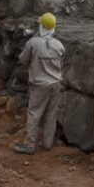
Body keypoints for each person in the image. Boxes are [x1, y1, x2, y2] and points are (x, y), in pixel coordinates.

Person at [14, 12, 65, 155]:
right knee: (51, 114)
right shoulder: (59, 45)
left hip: (40, 85)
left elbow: (23, 60)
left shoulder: (33, 43)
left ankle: (29, 144)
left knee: (34, 113)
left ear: (41, 26)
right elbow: (61, 63)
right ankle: (47, 143)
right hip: (56, 83)